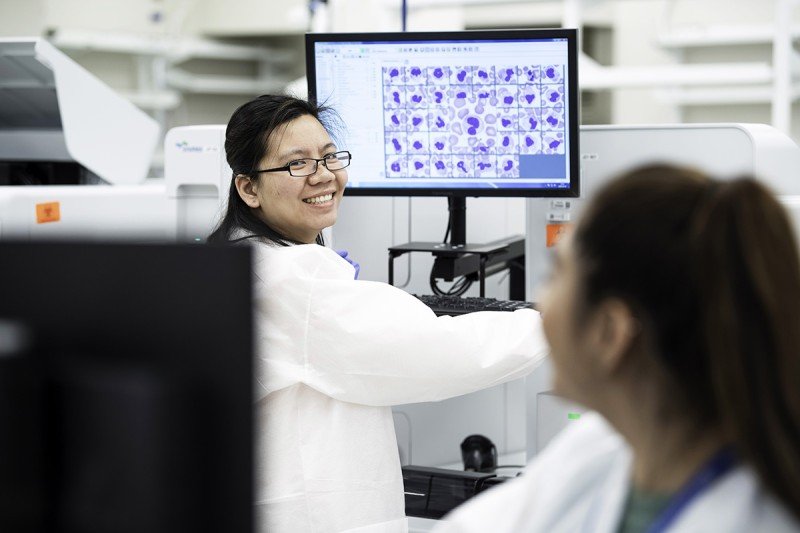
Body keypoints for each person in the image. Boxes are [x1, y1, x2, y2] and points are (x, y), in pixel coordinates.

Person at [206, 94, 550, 532]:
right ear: (248, 187)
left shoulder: (245, 261)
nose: (324, 176)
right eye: (298, 164)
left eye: (330, 157)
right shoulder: (293, 279)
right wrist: (558, 322)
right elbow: (439, 352)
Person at [433, 164, 800, 532]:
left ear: (610, 332)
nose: (540, 303)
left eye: (555, 275)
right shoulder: (600, 447)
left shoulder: (752, 520)